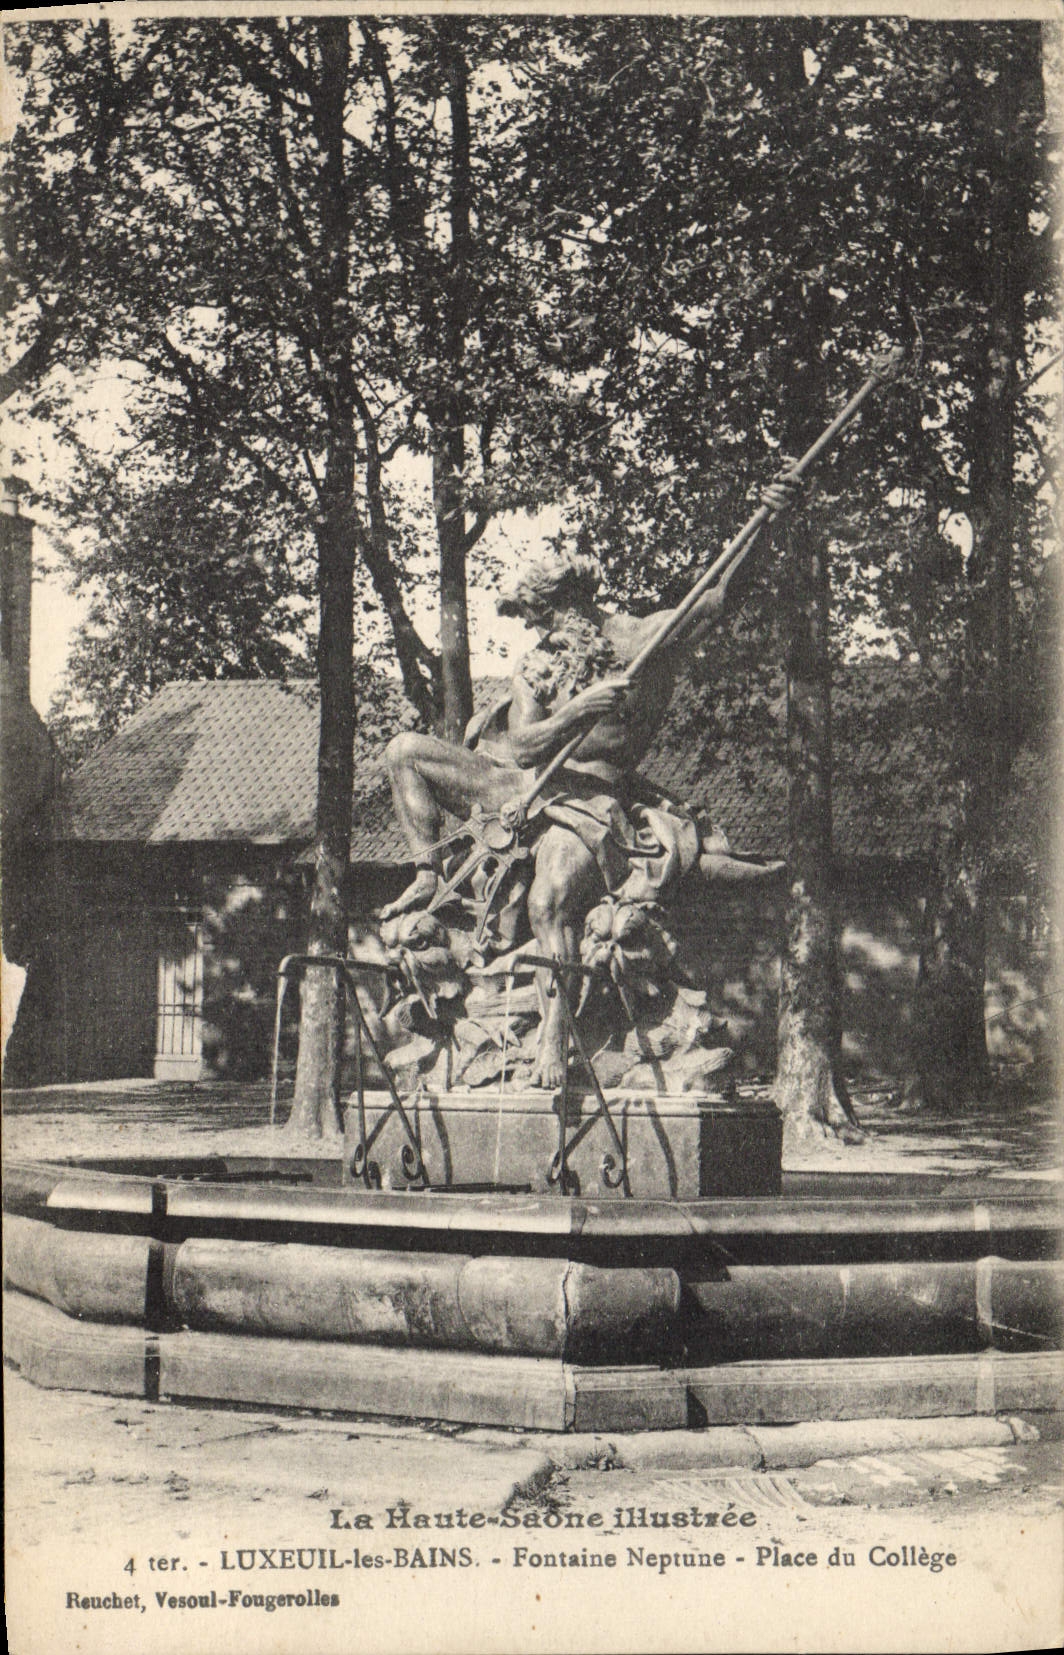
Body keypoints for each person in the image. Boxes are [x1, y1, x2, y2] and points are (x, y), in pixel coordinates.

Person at [381, 473, 800, 1086]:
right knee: (404, 750)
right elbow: (521, 744)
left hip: (591, 797)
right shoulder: (542, 664)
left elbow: (718, 599)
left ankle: (555, 1034)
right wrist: (577, 710)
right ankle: (426, 873)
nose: (539, 632)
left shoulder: (643, 639)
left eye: (542, 615)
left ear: (572, 602)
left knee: (550, 900)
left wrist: (771, 524)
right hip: (521, 783)